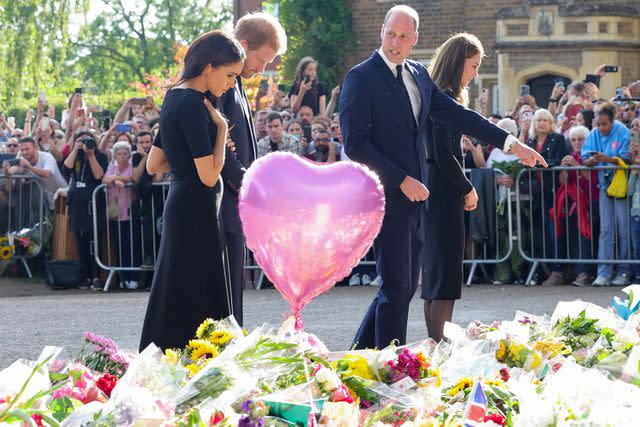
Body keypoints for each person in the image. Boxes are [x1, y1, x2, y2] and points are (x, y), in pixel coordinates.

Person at [340, 5, 546, 348]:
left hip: (419, 199)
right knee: (395, 288)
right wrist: (402, 179)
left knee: (402, 289)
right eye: (391, 34)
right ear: (382, 32)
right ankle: (393, 370)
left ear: (414, 39)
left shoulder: (419, 75)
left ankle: (358, 358)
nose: (395, 42)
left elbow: (459, 115)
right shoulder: (360, 77)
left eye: (404, 36)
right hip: (388, 194)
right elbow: (355, 143)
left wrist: (512, 143)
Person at [139, 30, 245, 351]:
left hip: (184, 204)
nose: (231, 85)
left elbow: (154, 164)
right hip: (196, 209)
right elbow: (210, 176)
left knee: (177, 290)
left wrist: (192, 158)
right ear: (209, 66)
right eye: (229, 75)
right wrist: (221, 132)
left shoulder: (175, 97)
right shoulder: (193, 104)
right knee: (198, 294)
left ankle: (166, 359)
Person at [219, 12, 287, 326]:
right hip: (223, 204)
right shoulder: (222, 85)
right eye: (261, 59)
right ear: (244, 45)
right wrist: (251, 187)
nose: (262, 68)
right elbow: (221, 152)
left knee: (235, 296)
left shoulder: (237, 85)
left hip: (235, 204)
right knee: (225, 304)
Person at [420, 32, 488, 342]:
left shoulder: (432, 95)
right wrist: (467, 187)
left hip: (432, 189)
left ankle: (435, 346)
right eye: (473, 66)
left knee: (434, 281)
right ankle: (439, 349)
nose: (474, 74)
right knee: (444, 280)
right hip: (444, 191)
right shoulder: (444, 99)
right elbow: (443, 153)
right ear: (457, 63)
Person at [582, 102, 632, 286]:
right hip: (604, 186)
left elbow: (627, 158)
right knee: (606, 230)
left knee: (624, 230)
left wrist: (608, 159)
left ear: (612, 121)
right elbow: (585, 156)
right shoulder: (594, 133)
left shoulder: (622, 131)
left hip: (621, 187)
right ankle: (603, 272)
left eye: (604, 124)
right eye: (598, 124)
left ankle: (625, 271)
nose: (601, 128)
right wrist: (591, 161)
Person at [62, 130, 109, 290]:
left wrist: (90, 155)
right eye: (80, 141)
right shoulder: (75, 156)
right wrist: (75, 150)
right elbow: (66, 170)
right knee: (81, 242)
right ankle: (85, 276)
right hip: (77, 206)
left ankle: (96, 277)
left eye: (88, 140)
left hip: (94, 205)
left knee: (95, 242)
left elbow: (98, 175)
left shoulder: (100, 156)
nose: (84, 144)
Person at [103, 141, 140, 289]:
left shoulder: (132, 167)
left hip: (130, 213)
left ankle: (134, 278)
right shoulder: (112, 167)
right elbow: (105, 179)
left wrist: (118, 179)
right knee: (120, 247)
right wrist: (113, 179)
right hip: (116, 214)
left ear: (129, 155)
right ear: (115, 155)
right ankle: (123, 279)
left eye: (125, 153)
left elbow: (133, 178)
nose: (122, 156)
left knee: (132, 247)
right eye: (119, 154)